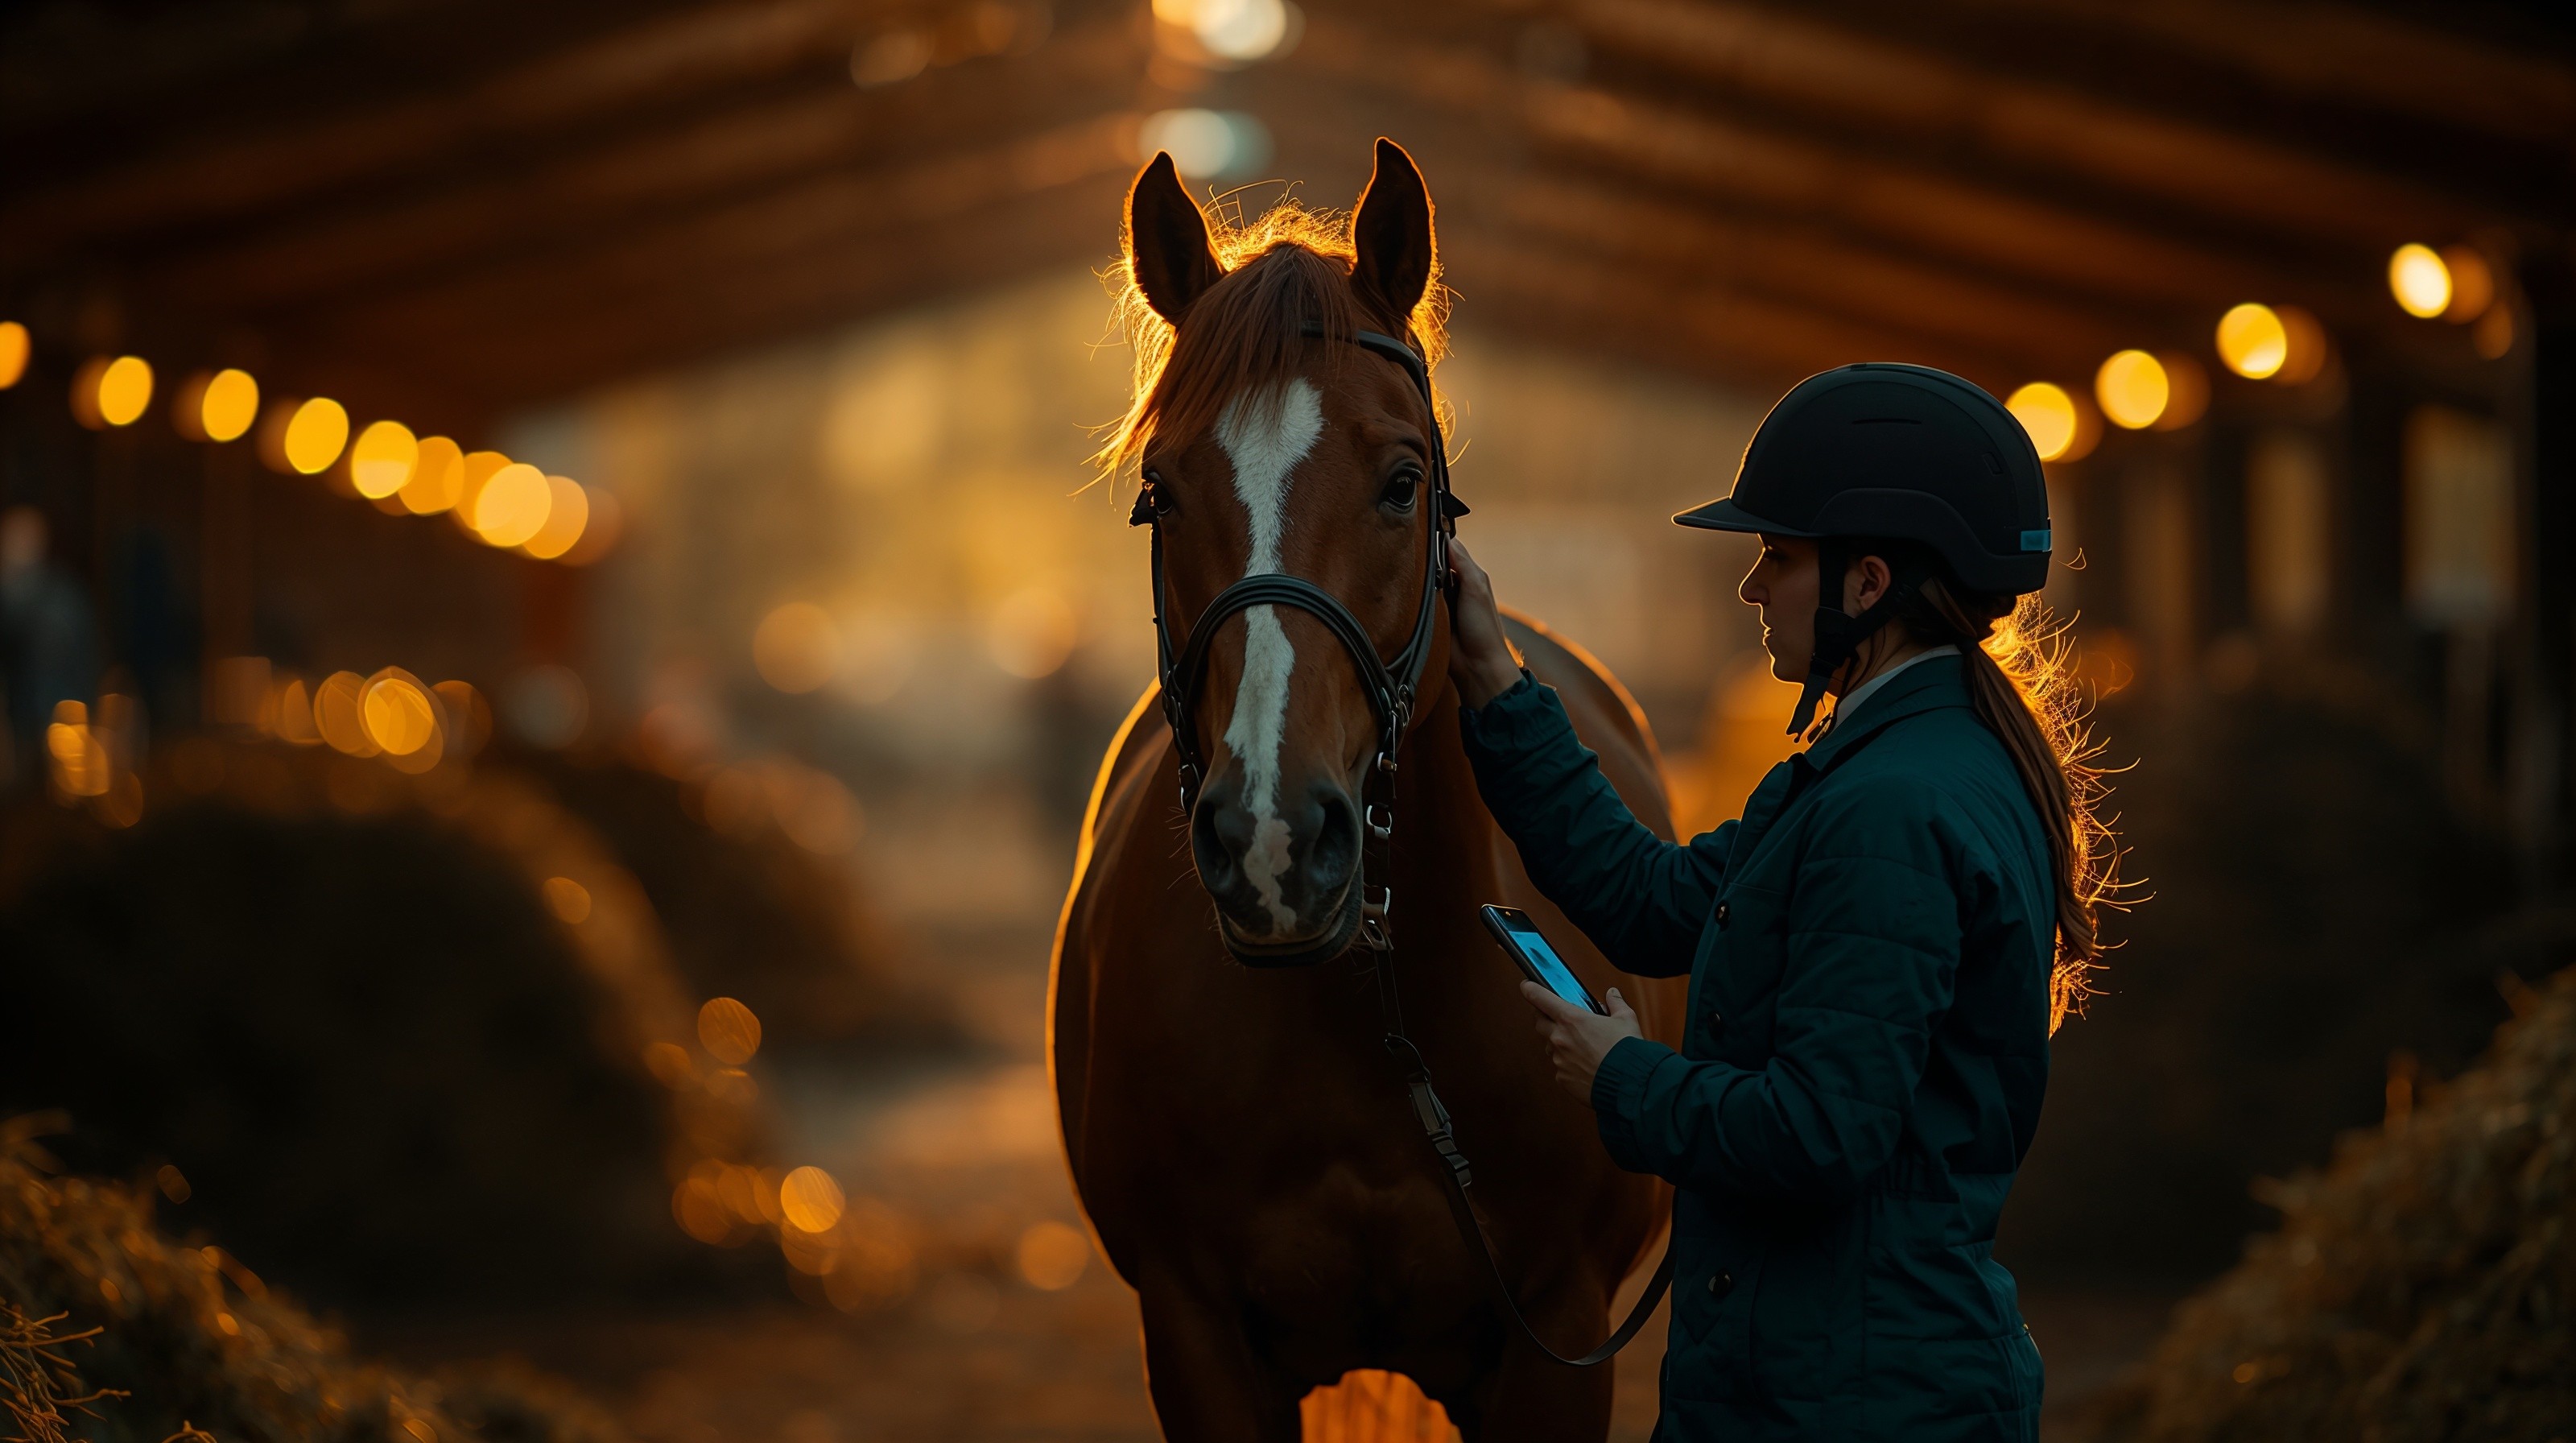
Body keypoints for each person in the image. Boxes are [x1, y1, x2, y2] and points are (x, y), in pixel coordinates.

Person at [1445, 363, 2113, 1441]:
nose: (1754, 587)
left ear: (1868, 581)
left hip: (1846, 1400)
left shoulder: (1888, 808)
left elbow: (1820, 1133)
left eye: (1778, 556)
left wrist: (1627, 1078)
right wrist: (1495, 681)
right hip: (1843, 1374)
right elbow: (1652, 901)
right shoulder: (1891, 764)